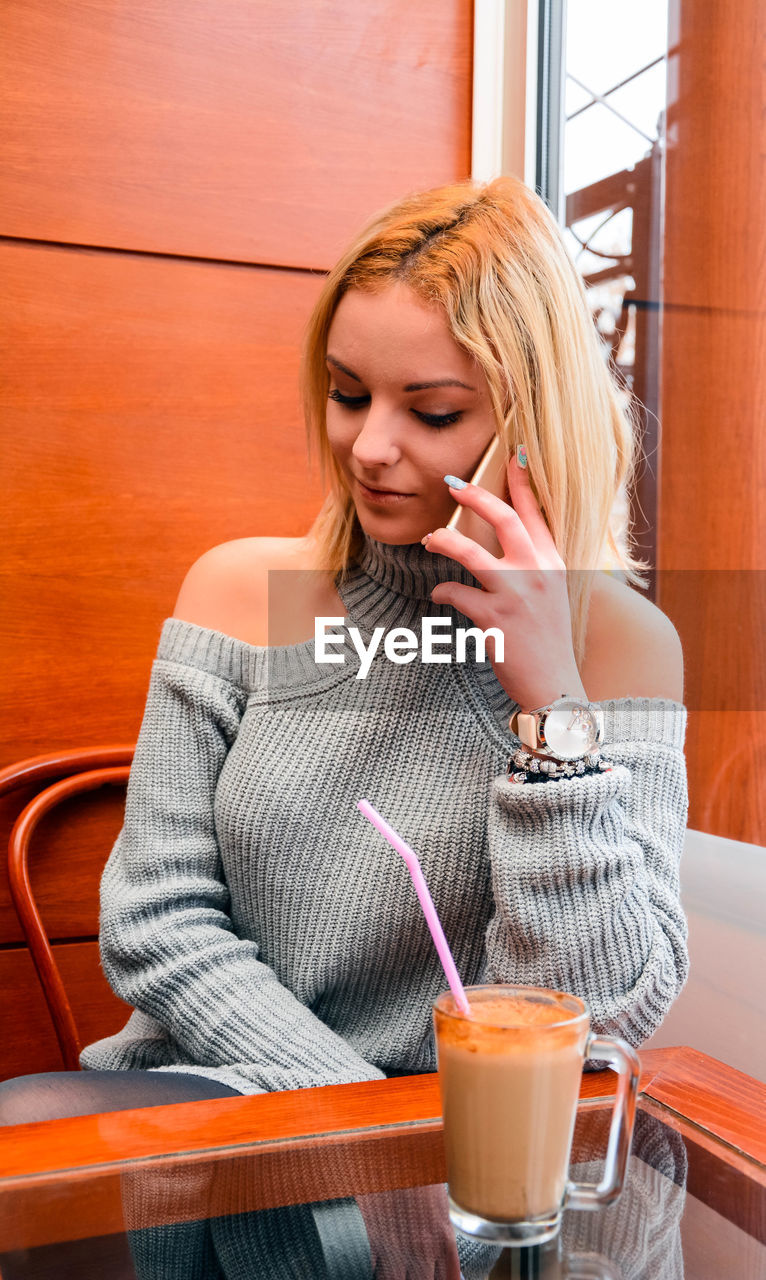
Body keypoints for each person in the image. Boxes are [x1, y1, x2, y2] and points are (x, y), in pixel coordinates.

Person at [0, 174, 688, 1277]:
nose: (368, 447)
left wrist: (547, 702)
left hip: (482, 1157)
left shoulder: (619, 644)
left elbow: (598, 1006)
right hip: (231, 1096)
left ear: (530, 411)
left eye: (430, 410)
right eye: (345, 392)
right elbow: (155, 919)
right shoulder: (239, 590)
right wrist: (360, 1128)